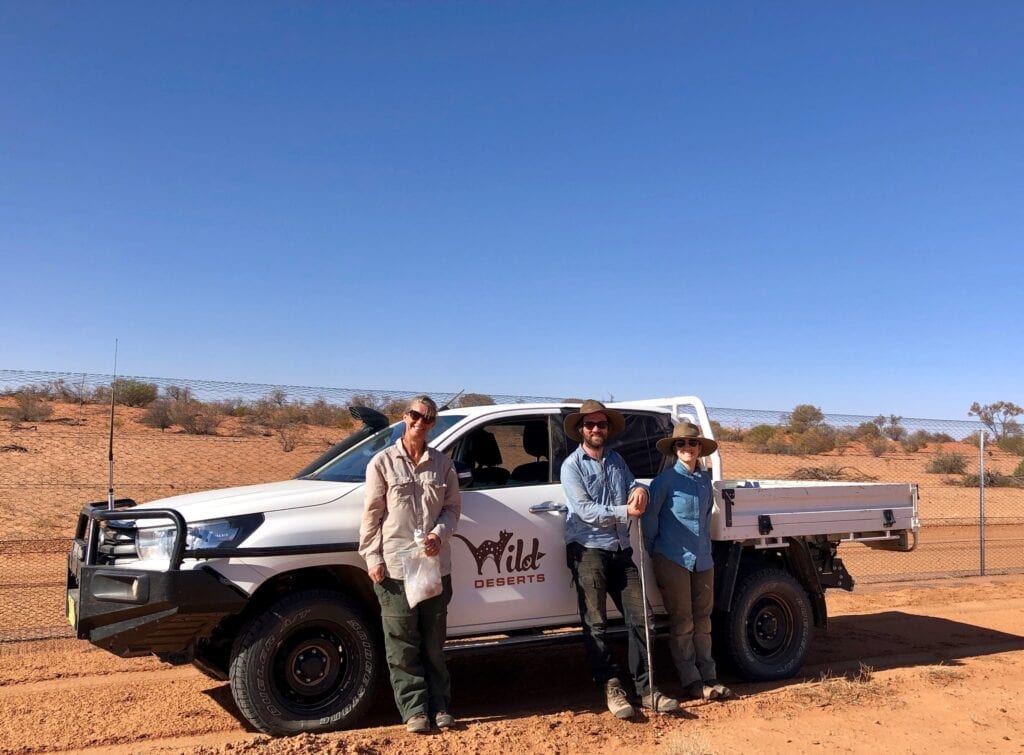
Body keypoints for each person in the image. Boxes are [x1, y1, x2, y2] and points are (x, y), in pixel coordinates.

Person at [561, 399, 679, 719]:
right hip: (588, 550)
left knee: (642, 617)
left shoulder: (616, 460)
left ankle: (647, 689)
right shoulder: (572, 466)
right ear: (581, 430)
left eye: (601, 424)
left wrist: (640, 489)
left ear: (608, 429)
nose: (596, 429)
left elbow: (632, 486)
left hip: (619, 549)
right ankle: (612, 685)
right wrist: (624, 510)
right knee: (596, 623)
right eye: (590, 425)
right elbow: (584, 511)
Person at [359, 395, 462, 733]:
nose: (421, 422)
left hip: (433, 565)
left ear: (433, 424)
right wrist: (372, 558)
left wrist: (439, 533)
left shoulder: (443, 464)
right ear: (404, 417)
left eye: (429, 418)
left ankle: (440, 706)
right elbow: (372, 515)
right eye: (416, 415)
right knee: (402, 644)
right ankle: (415, 711)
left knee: (434, 642)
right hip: (396, 568)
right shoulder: (382, 463)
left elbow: (451, 509)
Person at [642, 421, 732, 702]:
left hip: (702, 559)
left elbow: (705, 519)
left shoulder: (704, 482)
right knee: (683, 622)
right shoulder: (664, 482)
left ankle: (709, 676)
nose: (687, 448)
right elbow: (649, 522)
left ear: (699, 448)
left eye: (692, 444)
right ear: (674, 449)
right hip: (672, 559)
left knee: (703, 620)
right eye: (681, 444)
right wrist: (658, 553)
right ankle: (691, 681)